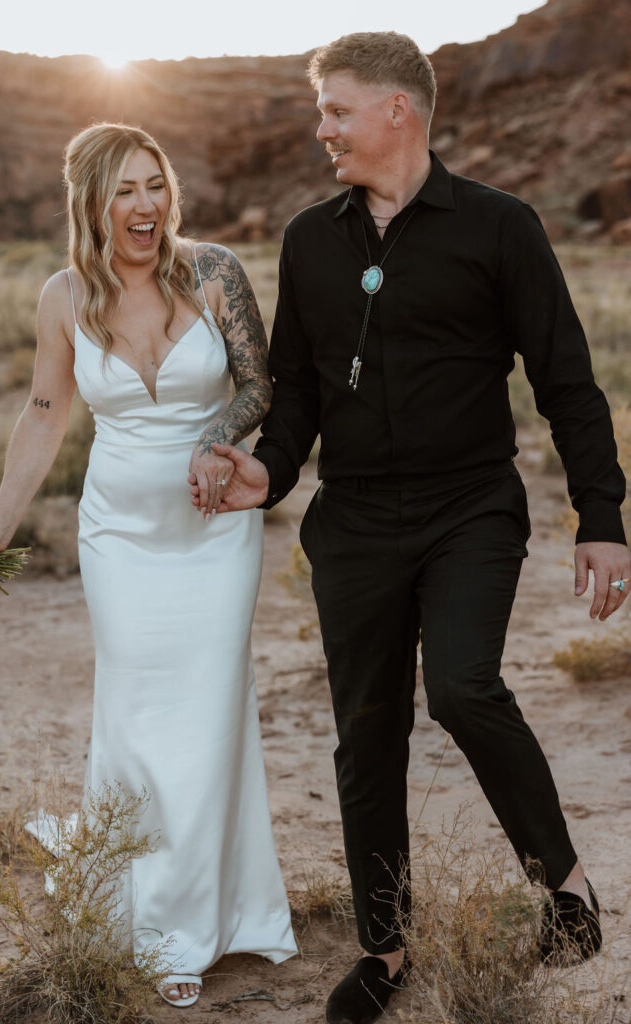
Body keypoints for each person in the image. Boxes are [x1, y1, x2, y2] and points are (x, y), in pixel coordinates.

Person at [191, 32, 631, 1024]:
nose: (321, 130)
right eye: (319, 112)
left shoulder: (499, 227)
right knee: (364, 734)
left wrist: (598, 517)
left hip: (469, 506)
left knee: (464, 687)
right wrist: (267, 469)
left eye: (336, 111)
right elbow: (297, 390)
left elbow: (566, 379)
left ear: (398, 110)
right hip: (350, 521)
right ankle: (384, 948)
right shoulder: (309, 239)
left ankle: (563, 888)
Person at [0, 122, 297, 1008]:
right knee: (138, 713)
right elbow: (44, 415)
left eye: (154, 184)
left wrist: (216, 438)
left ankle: (199, 918)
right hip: (118, 536)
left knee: (208, 713)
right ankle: (143, 913)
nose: (146, 205)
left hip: (215, 530)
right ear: (91, 204)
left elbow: (257, 383)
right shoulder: (62, 298)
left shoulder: (214, 270)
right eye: (123, 189)